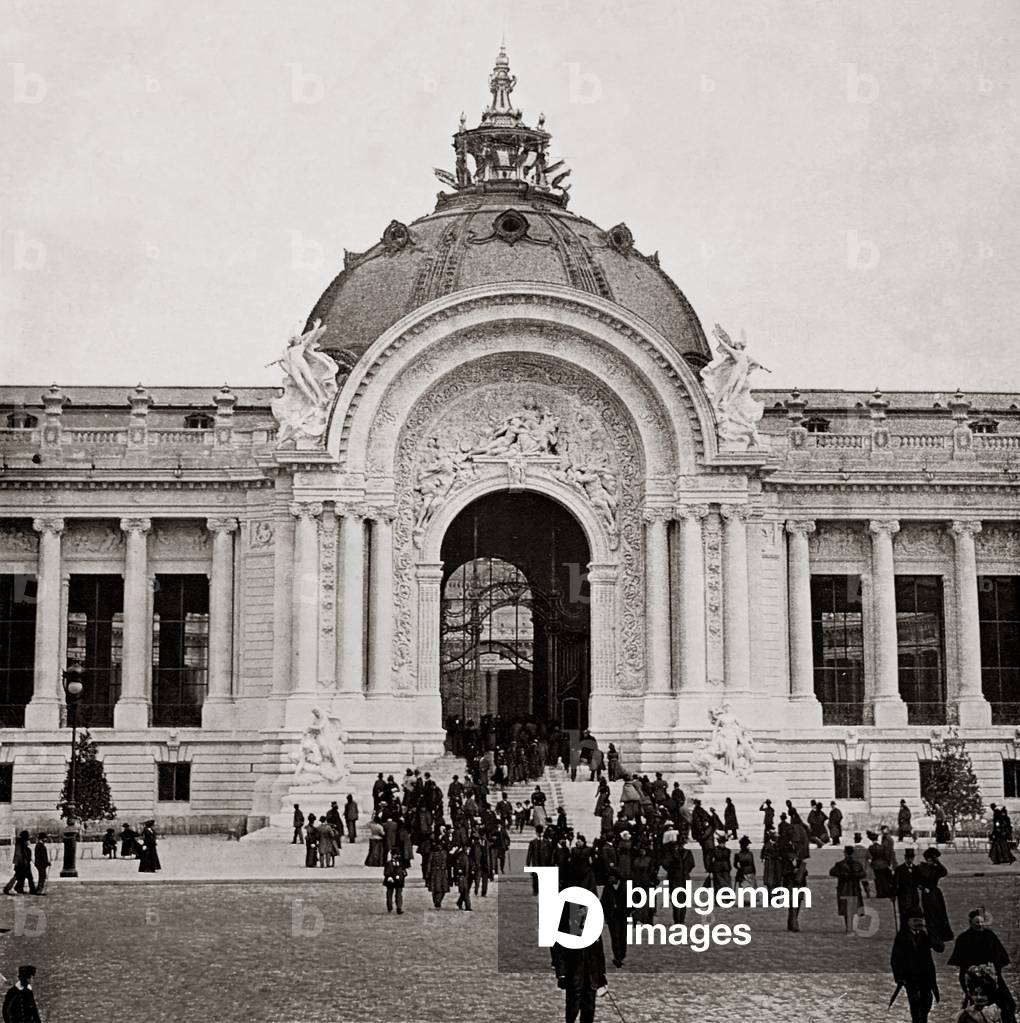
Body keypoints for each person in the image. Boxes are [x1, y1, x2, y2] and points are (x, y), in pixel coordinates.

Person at [948, 910, 1016, 1023]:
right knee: (976, 1010)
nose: (979, 925)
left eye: (981, 922)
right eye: (976, 922)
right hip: (973, 979)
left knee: (1009, 1005)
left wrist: (993, 970)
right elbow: (962, 966)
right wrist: (970, 979)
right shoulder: (964, 938)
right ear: (970, 922)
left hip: (992, 979)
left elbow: (1000, 958)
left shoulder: (990, 936)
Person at [555, 907, 609, 1023]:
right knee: (572, 1008)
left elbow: (600, 955)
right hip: (574, 976)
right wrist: (561, 974)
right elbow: (561, 954)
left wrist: (602, 975)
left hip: (591, 977)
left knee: (589, 1009)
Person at [890, 911, 939, 1023]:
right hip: (910, 978)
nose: (918, 923)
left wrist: (930, 933)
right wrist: (899, 977)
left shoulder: (924, 935)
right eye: (915, 920)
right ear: (908, 922)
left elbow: (939, 948)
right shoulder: (902, 936)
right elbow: (895, 959)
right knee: (915, 1005)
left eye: (920, 920)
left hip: (926, 977)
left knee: (927, 1003)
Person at [917, 847, 953, 953]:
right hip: (927, 893)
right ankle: (933, 936)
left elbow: (944, 872)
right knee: (930, 915)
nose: (930, 862)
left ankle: (940, 934)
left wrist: (938, 862)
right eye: (929, 860)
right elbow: (917, 881)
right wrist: (923, 887)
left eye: (932, 860)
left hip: (936, 893)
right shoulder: (921, 868)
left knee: (939, 914)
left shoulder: (936, 868)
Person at [829, 845, 865, 935]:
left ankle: (848, 928)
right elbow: (863, 874)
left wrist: (844, 875)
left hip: (844, 889)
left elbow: (832, 872)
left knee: (846, 909)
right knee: (852, 909)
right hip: (854, 889)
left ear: (845, 853)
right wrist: (855, 875)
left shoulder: (840, 864)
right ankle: (850, 928)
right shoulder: (857, 864)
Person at [383, 847, 406, 915]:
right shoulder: (389, 863)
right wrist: (389, 877)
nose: (398, 856)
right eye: (396, 854)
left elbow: (404, 871)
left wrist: (403, 874)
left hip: (399, 881)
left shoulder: (401, 863)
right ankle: (389, 906)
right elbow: (386, 872)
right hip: (391, 881)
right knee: (389, 894)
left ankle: (399, 907)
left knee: (399, 894)